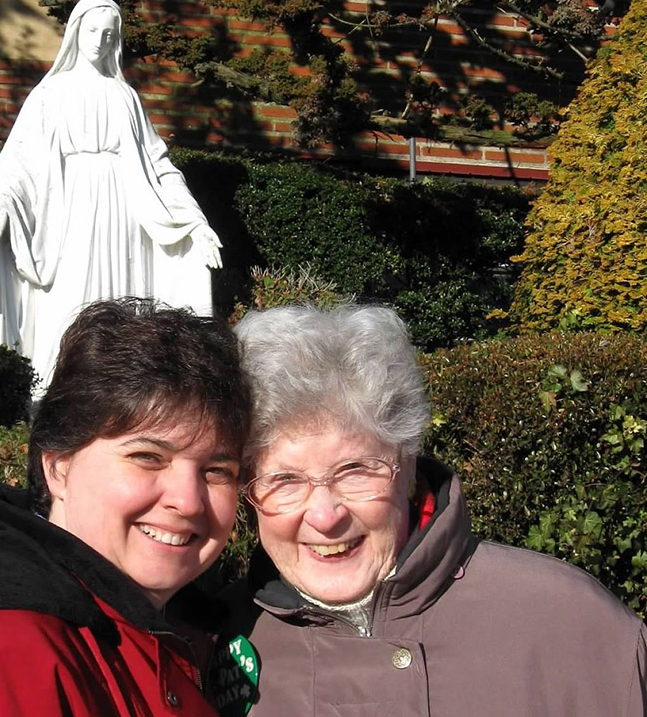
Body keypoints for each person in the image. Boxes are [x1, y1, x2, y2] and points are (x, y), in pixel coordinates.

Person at [209, 304, 647, 717]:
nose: (325, 516)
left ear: (408, 468)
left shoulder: (570, 624)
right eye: (285, 480)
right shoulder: (209, 643)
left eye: (356, 470)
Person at [0, 298, 251, 717]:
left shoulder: (185, 627)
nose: (186, 500)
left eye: (217, 470)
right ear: (58, 467)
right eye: (147, 456)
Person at [0, 0, 223, 391]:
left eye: (109, 34)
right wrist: (1, 202)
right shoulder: (50, 95)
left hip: (124, 214)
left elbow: (158, 164)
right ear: (75, 31)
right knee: (68, 297)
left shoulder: (125, 97)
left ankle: (117, 392)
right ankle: (57, 390)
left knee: (121, 299)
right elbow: (19, 161)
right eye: (92, 31)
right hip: (68, 213)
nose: (99, 40)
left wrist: (195, 221)